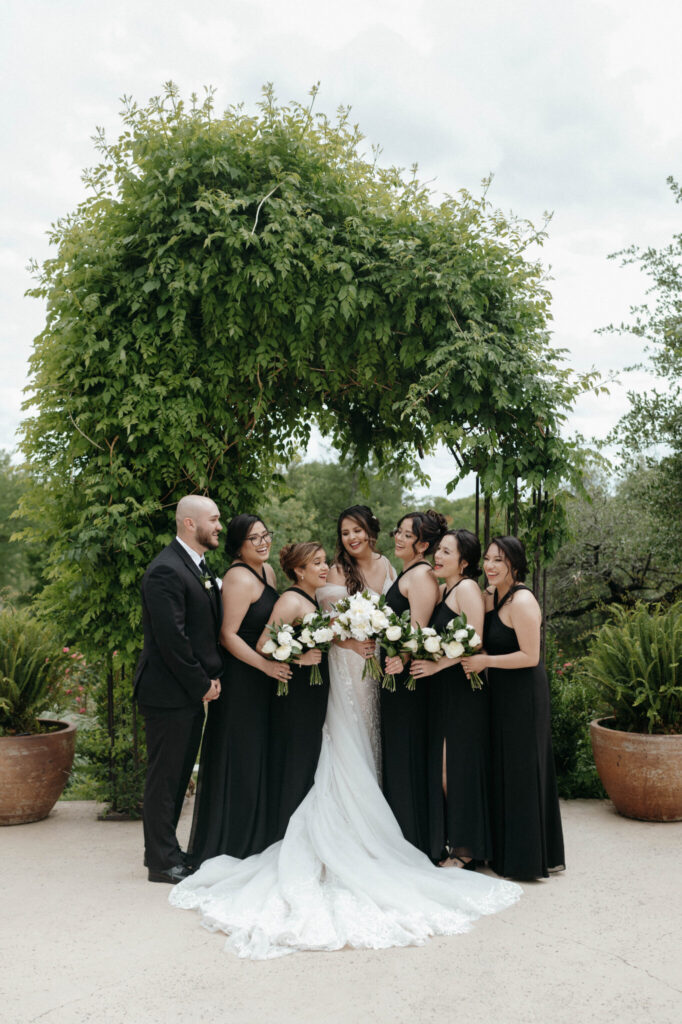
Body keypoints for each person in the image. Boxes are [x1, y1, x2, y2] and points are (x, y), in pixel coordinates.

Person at [170, 507, 521, 959]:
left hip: (369, 667)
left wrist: (372, 641)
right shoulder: (322, 574)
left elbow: (409, 623)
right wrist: (315, 649)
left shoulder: (398, 572)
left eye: (358, 531)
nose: (350, 538)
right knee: (336, 742)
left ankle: (388, 824)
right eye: (344, 532)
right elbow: (287, 631)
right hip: (340, 665)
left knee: (370, 744)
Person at [186, 514, 288, 865]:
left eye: (265, 535)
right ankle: (232, 841)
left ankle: (258, 836)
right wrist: (266, 666)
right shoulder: (237, 577)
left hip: (265, 680)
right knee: (241, 757)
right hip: (243, 680)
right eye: (253, 539)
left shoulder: (268, 572)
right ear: (238, 546)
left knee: (261, 755)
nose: (263, 543)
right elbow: (227, 635)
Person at [462, 536, 565, 880]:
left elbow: (531, 656)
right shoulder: (494, 596)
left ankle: (525, 859)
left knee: (522, 771)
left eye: (499, 561)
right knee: (503, 767)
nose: (490, 566)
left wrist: (485, 661)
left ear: (515, 565)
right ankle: (503, 850)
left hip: (524, 696)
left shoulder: (522, 601)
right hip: (501, 694)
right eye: (488, 559)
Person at [134, 495, 223, 884]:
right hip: (168, 692)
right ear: (190, 524)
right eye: (214, 520)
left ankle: (169, 850)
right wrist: (201, 683)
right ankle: (161, 861)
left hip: (184, 692)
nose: (219, 526)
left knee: (178, 772)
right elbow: (172, 640)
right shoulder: (165, 571)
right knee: (165, 778)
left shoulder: (196, 565)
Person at [411, 529, 491, 869]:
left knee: (453, 768)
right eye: (438, 550)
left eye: (446, 552)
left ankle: (466, 848)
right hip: (442, 690)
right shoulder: (445, 589)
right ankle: (452, 840)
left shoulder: (468, 589)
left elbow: (475, 641)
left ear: (465, 561)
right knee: (443, 766)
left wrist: (434, 665)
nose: (438, 557)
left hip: (461, 689)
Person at [381, 510, 445, 855]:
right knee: (396, 751)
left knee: (407, 751)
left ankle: (415, 840)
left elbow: (420, 630)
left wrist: (400, 658)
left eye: (407, 535)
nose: (398, 538)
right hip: (394, 676)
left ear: (422, 544)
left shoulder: (420, 576)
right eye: (399, 531)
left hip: (408, 681)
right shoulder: (406, 572)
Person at [257, 543, 331, 842]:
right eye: (317, 563)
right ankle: (286, 835)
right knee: (297, 758)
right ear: (299, 571)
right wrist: (299, 658)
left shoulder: (312, 599)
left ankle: (303, 832)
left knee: (308, 757)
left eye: (325, 561)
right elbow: (264, 643)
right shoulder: (290, 600)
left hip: (313, 693)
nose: (324, 567)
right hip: (296, 693)